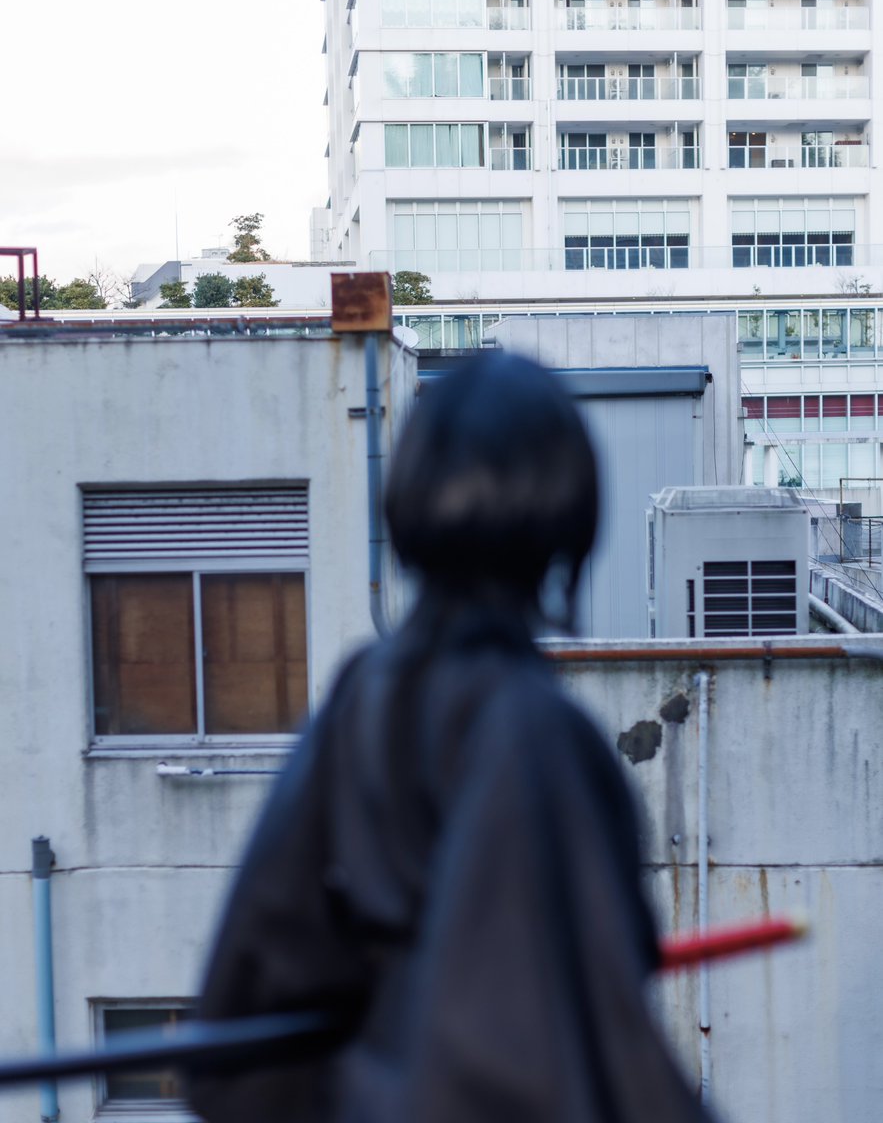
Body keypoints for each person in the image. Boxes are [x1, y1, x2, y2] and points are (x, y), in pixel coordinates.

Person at [189, 353, 709, 1123]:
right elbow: (558, 1058)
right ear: (569, 522)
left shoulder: (360, 697)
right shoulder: (533, 728)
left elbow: (244, 1014)